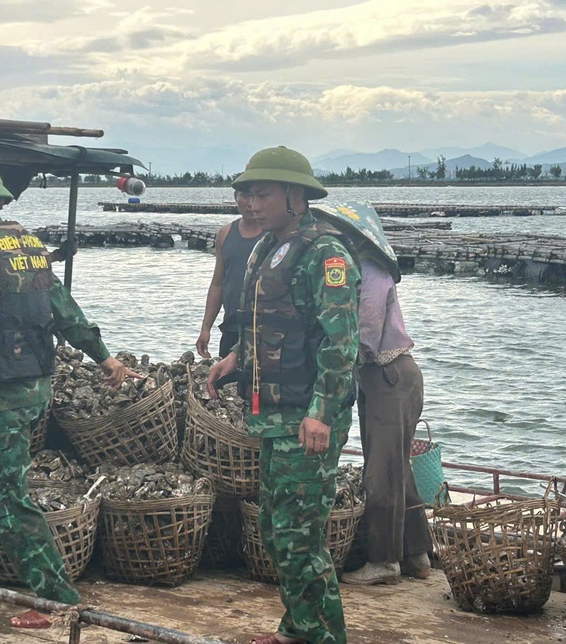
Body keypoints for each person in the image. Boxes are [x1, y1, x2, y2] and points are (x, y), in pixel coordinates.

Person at [0, 163, 138, 628]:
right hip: (35, 383)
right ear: (0, 201)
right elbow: (65, 310)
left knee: (4, 495)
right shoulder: (29, 246)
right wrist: (104, 357)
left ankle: (56, 597)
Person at [207, 147, 360, 644]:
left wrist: (322, 413)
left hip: (307, 415)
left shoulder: (325, 253)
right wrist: (234, 358)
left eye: (262, 193)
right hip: (272, 414)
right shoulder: (263, 248)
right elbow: (264, 323)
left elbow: (342, 343)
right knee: (276, 529)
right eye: (247, 193)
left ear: (296, 196)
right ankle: (299, 628)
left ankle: (321, 636)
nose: (250, 203)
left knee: (299, 536)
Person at [339, 242, 432, 585]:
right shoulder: (362, 269)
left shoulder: (372, 270)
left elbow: (366, 332)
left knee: (380, 471)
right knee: (397, 468)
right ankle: (416, 555)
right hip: (387, 377)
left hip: (388, 375)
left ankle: (383, 561)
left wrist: (338, 366)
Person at [196, 189, 262, 358]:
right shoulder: (225, 234)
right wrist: (206, 328)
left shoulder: (274, 235)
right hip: (232, 326)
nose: (250, 203)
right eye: (245, 195)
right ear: (236, 197)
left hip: (264, 329)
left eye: (257, 195)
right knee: (226, 381)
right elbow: (218, 284)